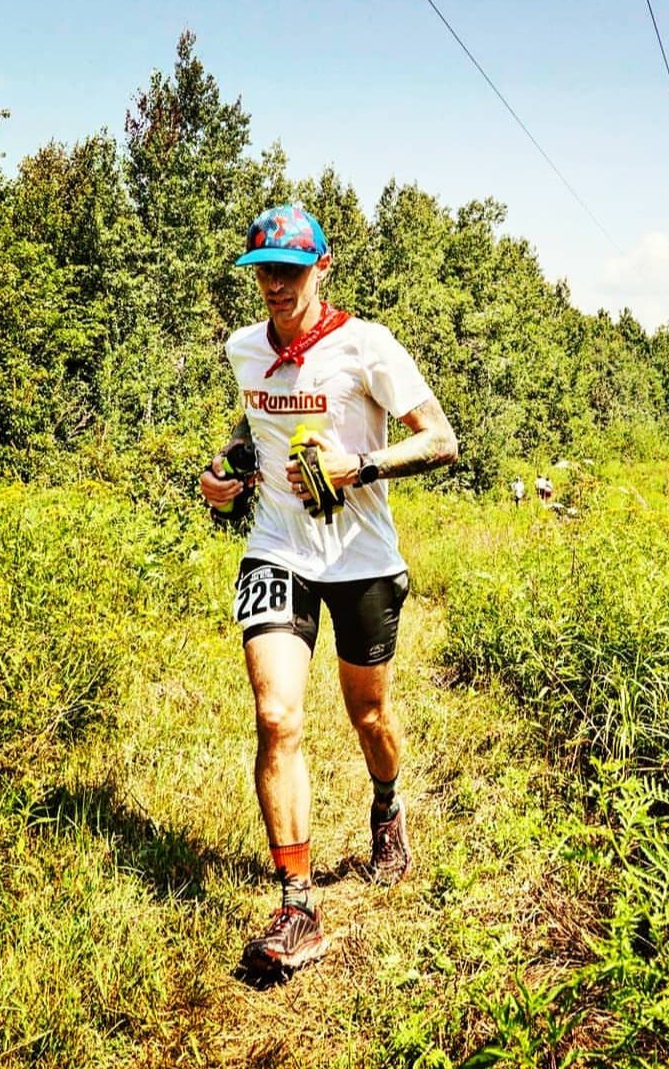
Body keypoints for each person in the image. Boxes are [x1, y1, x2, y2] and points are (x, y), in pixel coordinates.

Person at [199, 204, 458, 975]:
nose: (275, 285)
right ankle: (297, 903)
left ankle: (386, 806)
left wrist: (360, 467)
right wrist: (228, 471)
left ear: (323, 267)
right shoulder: (244, 348)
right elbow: (253, 428)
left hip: (363, 559)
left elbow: (442, 439)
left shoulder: (366, 345)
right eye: (263, 272)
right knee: (277, 715)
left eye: (290, 269)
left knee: (369, 712)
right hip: (277, 548)